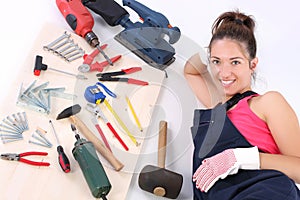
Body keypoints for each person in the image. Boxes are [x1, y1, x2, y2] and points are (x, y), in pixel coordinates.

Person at [184, 10, 300, 200]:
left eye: (235, 62)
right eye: (217, 62)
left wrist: (241, 158)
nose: (224, 73)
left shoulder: (267, 103)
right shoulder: (218, 108)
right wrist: (210, 52)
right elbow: (191, 72)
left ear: (253, 65)